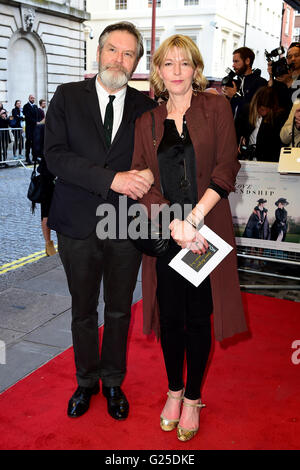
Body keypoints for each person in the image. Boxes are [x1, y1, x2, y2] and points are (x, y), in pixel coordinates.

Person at [131, 34, 247, 442]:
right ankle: (173, 391)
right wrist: (173, 223)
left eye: (184, 63)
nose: (176, 71)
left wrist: (193, 221)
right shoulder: (147, 121)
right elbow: (142, 181)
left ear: (195, 68)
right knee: (171, 317)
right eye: (168, 64)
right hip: (167, 237)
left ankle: (194, 398)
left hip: (204, 235)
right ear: (159, 72)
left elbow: (226, 168)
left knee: (198, 317)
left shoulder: (215, 108)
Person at [44, 22, 156, 420]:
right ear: (98, 52)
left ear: (137, 62)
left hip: (126, 224)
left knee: (120, 308)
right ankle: (85, 380)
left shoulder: (147, 107)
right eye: (113, 50)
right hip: (76, 222)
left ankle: (113, 382)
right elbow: (55, 156)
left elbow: (156, 161)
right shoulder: (67, 97)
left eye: (128, 54)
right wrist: (113, 179)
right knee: (82, 308)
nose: (118, 60)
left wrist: (147, 177)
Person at [236, 86, 289, 161]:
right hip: (247, 159)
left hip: (268, 161)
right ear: (256, 104)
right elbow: (236, 132)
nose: (264, 112)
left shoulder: (279, 117)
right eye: (261, 109)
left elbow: (280, 143)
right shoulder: (246, 111)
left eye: (267, 109)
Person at [32, 111, 56, 257]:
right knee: (46, 210)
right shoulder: (41, 128)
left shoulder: (61, 128)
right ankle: (48, 243)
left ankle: (59, 243)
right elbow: (37, 151)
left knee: (60, 208)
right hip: (47, 174)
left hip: (61, 174)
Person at [222, 47, 267, 125]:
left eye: (236, 61)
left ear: (247, 61)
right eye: (233, 62)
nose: (233, 65)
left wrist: (235, 96)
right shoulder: (235, 82)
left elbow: (254, 110)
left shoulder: (260, 82)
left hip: (248, 132)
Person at [23, 94, 38, 164]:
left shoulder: (35, 106)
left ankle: (34, 157)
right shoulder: (26, 106)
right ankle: (27, 157)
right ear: (29, 98)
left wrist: (37, 122)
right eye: (31, 98)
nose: (33, 99)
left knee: (34, 143)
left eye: (33, 98)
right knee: (28, 143)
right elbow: (27, 117)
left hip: (35, 128)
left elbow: (37, 116)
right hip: (29, 128)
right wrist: (35, 122)